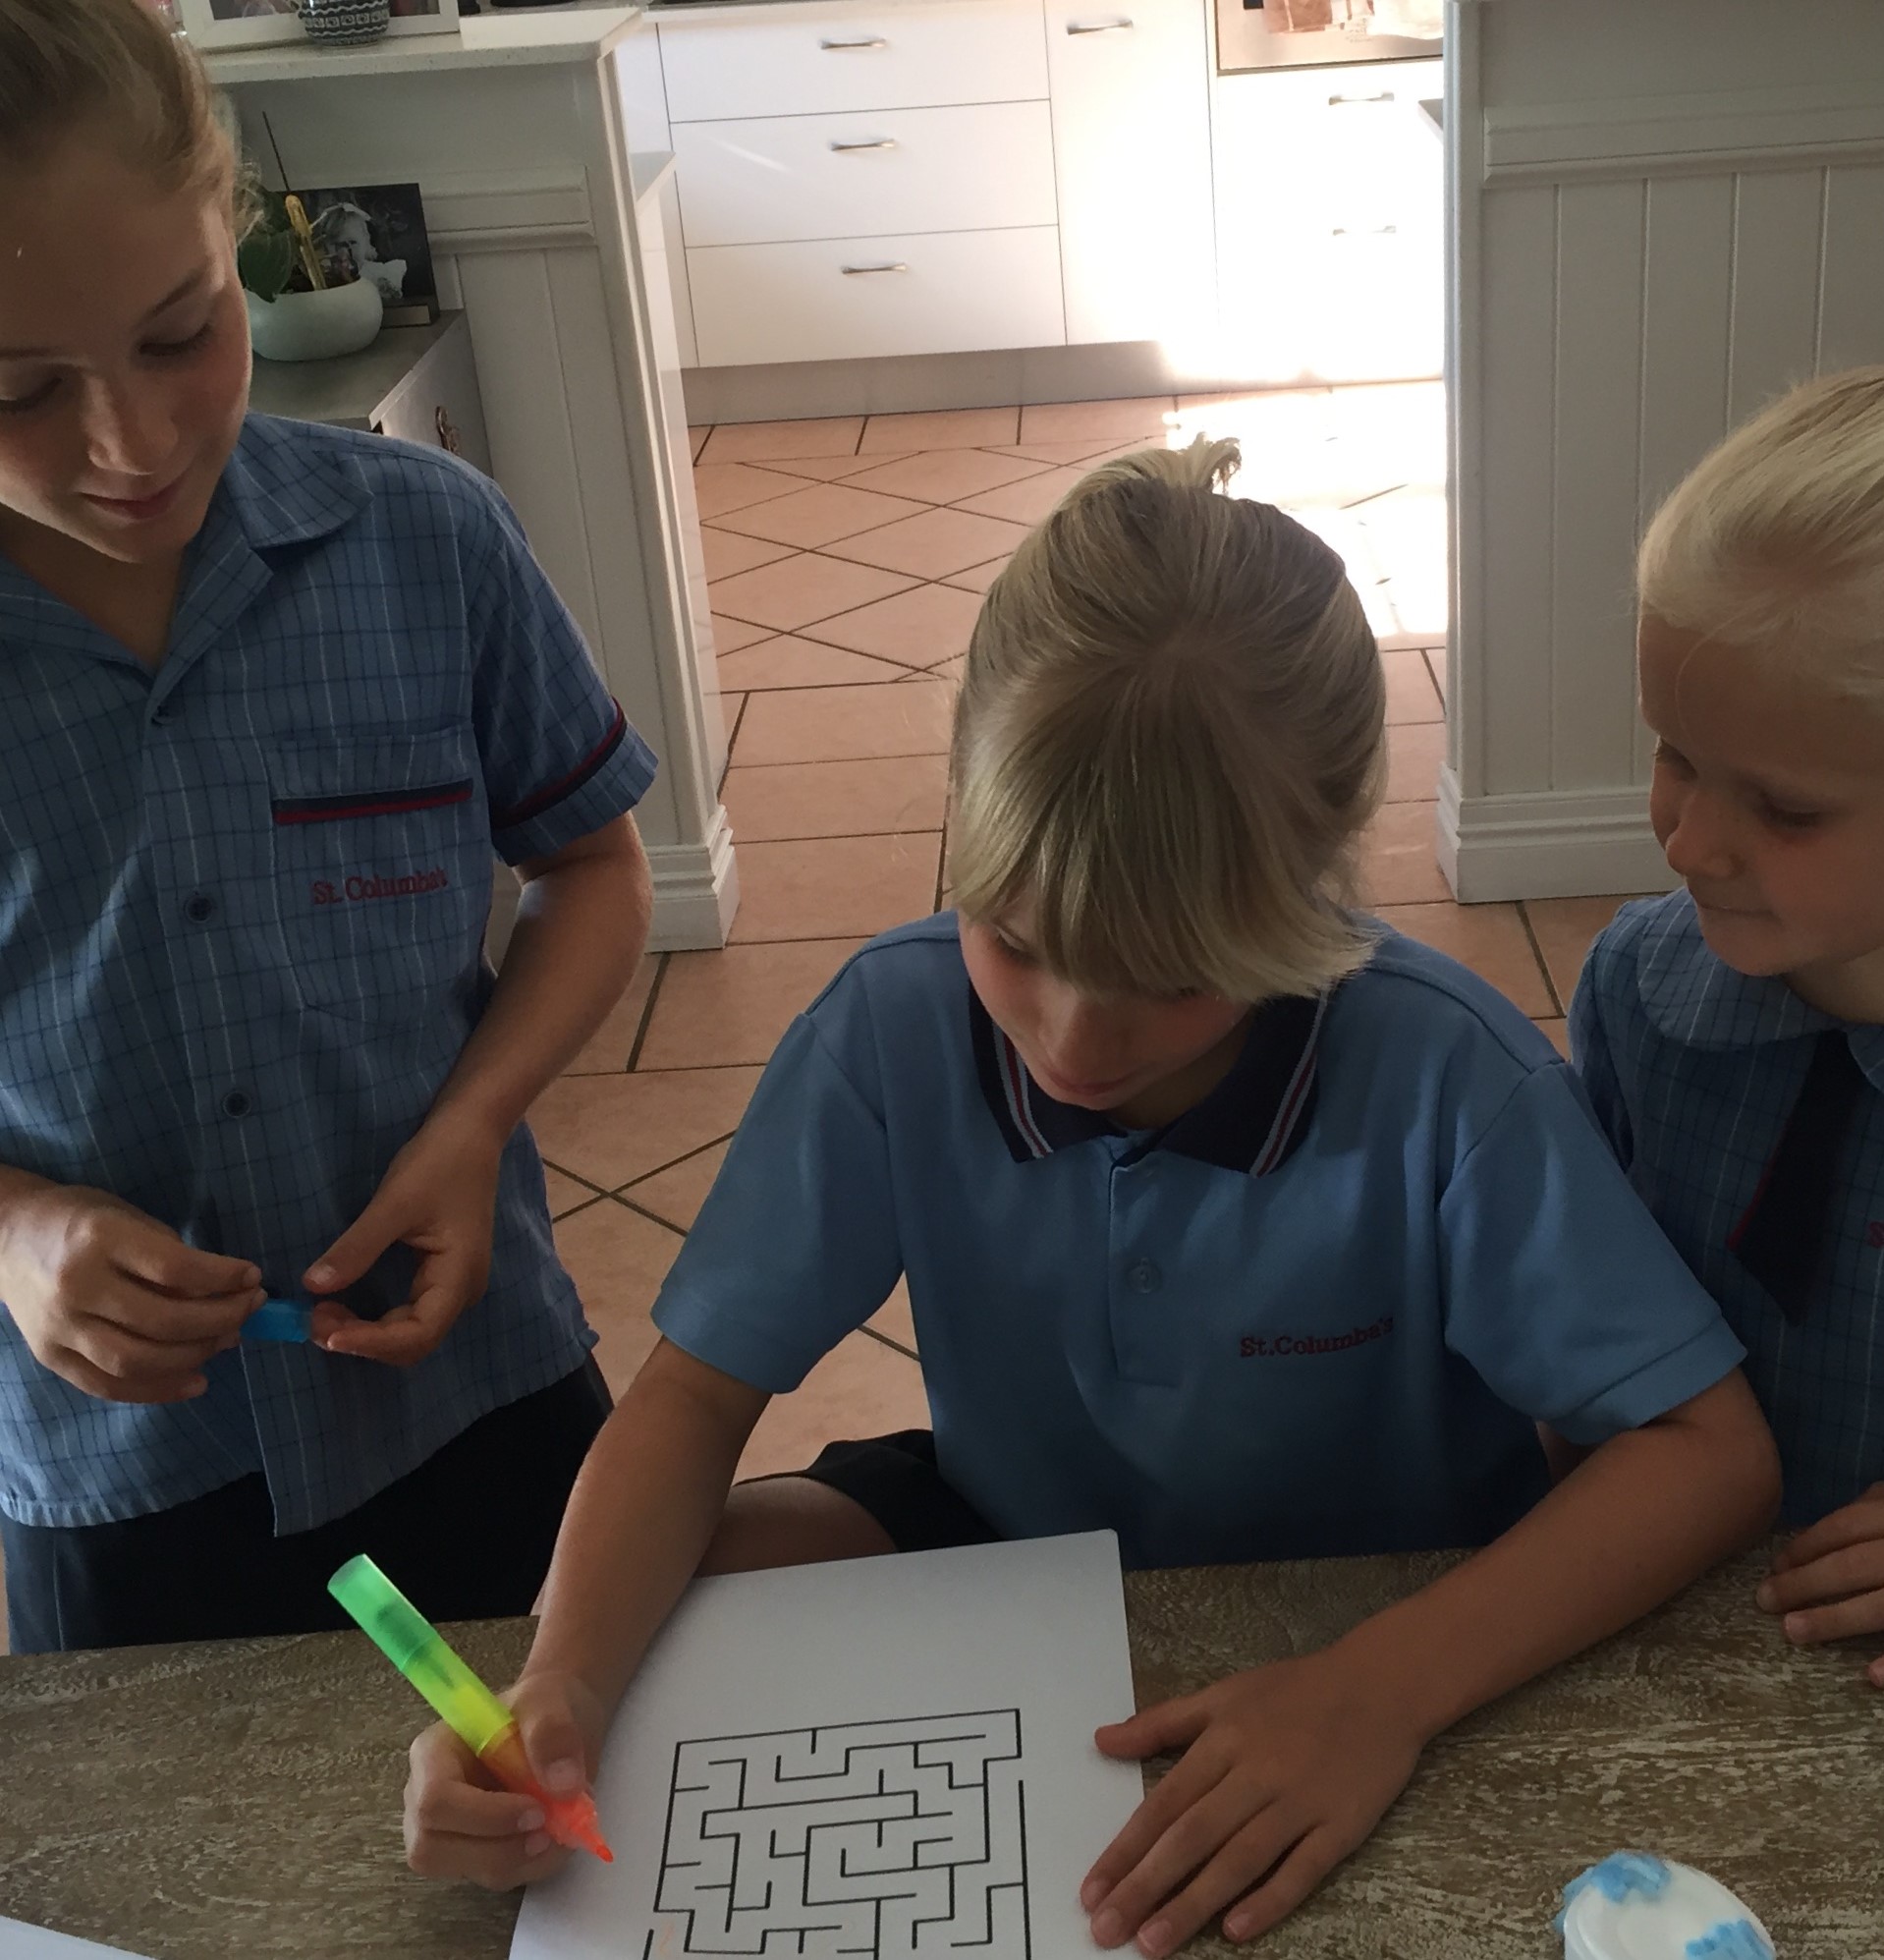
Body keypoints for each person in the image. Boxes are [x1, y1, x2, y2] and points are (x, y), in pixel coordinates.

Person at [405, 438, 1778, 1952]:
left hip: (1366, 1584)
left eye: (1172, 976)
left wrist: (1378, 1689)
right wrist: (559, 1689)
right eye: (1010, 935)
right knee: (681, 1585)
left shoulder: (1445, 1079)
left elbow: (1706, 1455)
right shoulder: (888, 1027)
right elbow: (687, 1401)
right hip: (1016, 1534)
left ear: (1312, 890)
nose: (1068, 1037)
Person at [0, 0, 656, 1651]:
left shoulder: (426, 539)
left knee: (573, 1814)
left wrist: (471, 1125)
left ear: (246, 239)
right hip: (122, 1469)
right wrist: (17, 1230)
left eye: (180, 333)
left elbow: (590, 865)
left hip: (475, 1388)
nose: (130, 445)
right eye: (16, 389)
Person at [1572, 368, 1884, 1688]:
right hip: (1668, 1645)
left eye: (1783, 808)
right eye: (1673, 756)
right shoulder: (1635, 998)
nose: (1689, 842)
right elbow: (1578, 1340)